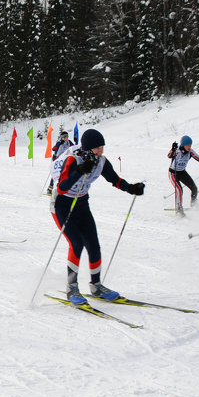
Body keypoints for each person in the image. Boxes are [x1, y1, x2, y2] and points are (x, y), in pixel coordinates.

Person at [51, 128, 145, 304]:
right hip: (62, 205)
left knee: (93, 245)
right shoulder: (73, 158)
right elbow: (62, 187)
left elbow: (114, 179)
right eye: (97, 148)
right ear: (87, 148)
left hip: (81, 204)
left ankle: (96, 285)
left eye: (102, 147)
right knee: (76, 243)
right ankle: (72, 288)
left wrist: (131, 188)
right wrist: (79, 171)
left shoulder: (101, 161)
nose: (101, 151)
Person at [167, 135, 199, 216]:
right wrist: (172, 149)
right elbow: (169, 156)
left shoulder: (190, 151)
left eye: (190, 145)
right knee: (179, 190)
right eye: (188, 145)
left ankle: (194, 203)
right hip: (173, 173)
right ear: (183, 145)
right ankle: (179, 209)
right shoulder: (177, 150)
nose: (189, 147)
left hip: (182, 172)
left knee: (194, 188)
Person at [45, 130, 74, 194]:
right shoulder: (59, 142)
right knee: (55, 173)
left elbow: (73, 147)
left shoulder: (69, 142)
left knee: (65, 173)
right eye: (65, 137)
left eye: (67, 136)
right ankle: (50, 188)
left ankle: (62, 188)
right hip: (57, 160)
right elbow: (53, 149)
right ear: (62, 137)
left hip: (65, 160)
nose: (67, 138)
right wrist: (59, 145)